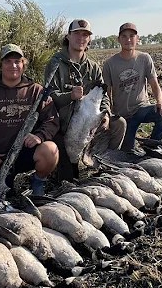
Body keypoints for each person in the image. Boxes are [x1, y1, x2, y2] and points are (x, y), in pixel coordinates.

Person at [0, 44, 60, 203]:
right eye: (8, 61)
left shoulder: (36, 91)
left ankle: (37, 183)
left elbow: (52, 119)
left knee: (50, 150)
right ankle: (5, 189)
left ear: (23, 64)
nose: (13, 65)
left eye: (17, 61)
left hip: (24, 154)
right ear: (0, 65)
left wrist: (39, 136)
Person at [44, 18, 127, 181]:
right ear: (68, 36)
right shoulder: (55, 64)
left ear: (89, 39)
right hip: (65, 125)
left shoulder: (93, 67)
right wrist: (70, 96)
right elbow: (48, 97)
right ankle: (63, 164)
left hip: (90, 123)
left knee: (119, 124)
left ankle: (102, 162)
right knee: (67, 180)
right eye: (77, 34)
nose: (81, 38)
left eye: (85, 35)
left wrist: (106, 115)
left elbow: (104, 96)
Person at [102, 22, 162, 151]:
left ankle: (153, 146)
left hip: (141, 109)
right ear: (119, 39)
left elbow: (155, 85)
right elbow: (107, 93)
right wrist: (110, 115)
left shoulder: (145, 58)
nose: (128, 39)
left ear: (137, 38)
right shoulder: (110, 64)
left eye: (132, 36)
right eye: (124, 36)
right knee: (128, 152)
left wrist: (160, 102)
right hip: (123, 115)